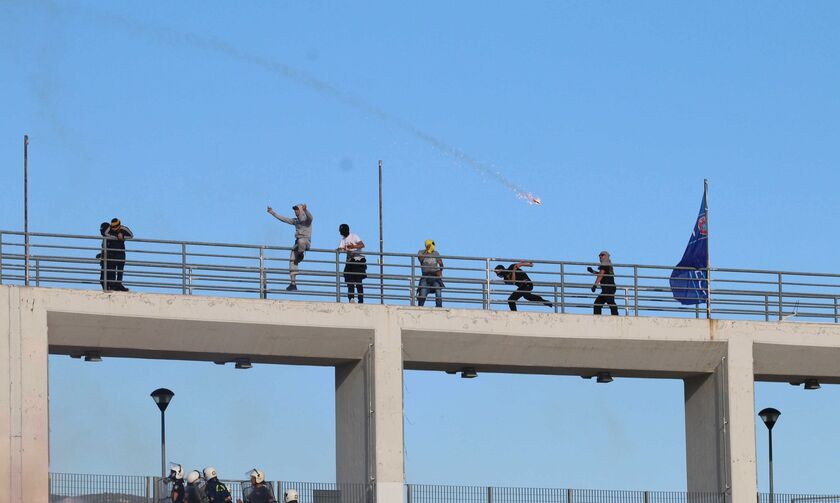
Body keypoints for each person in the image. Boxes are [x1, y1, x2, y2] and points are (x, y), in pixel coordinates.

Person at [267, 203, 313, 291]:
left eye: (297, 209)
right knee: (292, 259)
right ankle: (293, 283)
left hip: (306, 241)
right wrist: (272, 213)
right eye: (295, 209)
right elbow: (284, 219)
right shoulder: (296, 221)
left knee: (301, 241)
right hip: (298, 243)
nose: (295, 211)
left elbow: (311, 217)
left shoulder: (307, 220)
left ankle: (301, 254)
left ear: (301, 210)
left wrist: (306, 210)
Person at [100, 218, 133, 291]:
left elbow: (131, 235)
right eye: (112, 227)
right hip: (112, 253)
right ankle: (113, 285)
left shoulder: (124, 229)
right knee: (112, 268)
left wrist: (123, 236)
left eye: (115, 227)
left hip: (121, 252)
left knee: (120, 269)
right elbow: (105, 233)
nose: (113, 228)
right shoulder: (109, 229)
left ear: (119, 225)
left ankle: (119, 284)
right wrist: (116, 236)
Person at [337, 224, 367, 303]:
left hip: (358, 260)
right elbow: (341, 248)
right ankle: (351, 298)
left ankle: (360, 300)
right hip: (350, 261)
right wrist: (339, 250)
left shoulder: (354, 236)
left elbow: (362, 245)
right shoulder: (343, 240)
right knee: (348, 278)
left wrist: (353, 246)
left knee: (358, 281)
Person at [587, 250, 619, 315]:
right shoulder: (607, 264)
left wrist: (595, 285)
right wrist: (592, 271)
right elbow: (601, 274)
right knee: (609, 302)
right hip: (609, 288)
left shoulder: (605, 263)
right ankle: (615, 316)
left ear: (606, 256)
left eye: (602, 255)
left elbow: (601, 274)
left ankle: (599, 317)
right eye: (599, 255)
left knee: (600, 303)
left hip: (608, 288)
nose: (600, 256)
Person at [417, 240, 444, 307]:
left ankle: (439, 307)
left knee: (438, 290)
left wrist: (440, 270)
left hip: (435, 276)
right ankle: (419, 308)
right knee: (422, 294)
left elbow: (441, 264)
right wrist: (427, 251)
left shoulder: (436, 253)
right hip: (425, 276)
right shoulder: (421, 252)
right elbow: (420, 259)